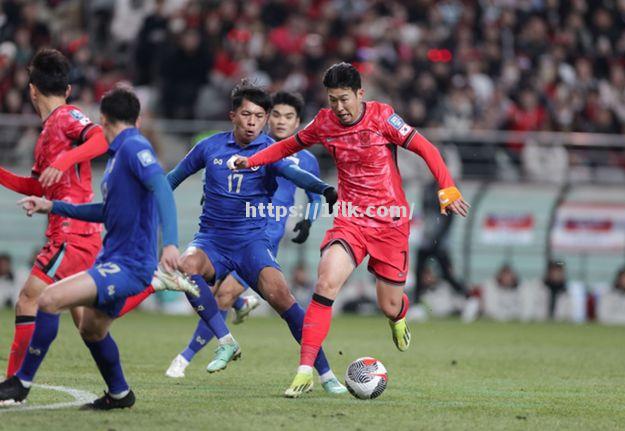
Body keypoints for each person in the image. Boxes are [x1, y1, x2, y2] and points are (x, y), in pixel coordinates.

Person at [231, 62, 469, 397]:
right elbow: (287, 146)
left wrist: (448, 187)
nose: (339, 107)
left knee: (389, 304)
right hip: (350, 218)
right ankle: (304, 370)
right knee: (326, 281)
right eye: (332, 100)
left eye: (345, 99)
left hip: (390, 221)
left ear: (360, 94)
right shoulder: (324, 123)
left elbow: (427, 148)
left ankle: (398, 316)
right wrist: (251, 160)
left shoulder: (384, 118)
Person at [126, 82, 346, 393]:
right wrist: (146, 202)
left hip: (252, 244)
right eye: (246, 114)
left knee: (285, 302)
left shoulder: (271, 152)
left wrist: (324, 189)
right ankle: (225, 341)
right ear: (233, 116)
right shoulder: (209, 147)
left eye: (259, 115)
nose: (252, 121)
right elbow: (172, 178)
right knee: (186, 268)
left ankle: (325, 374)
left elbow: (295, 174)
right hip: (212, 240)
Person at [0, 87, 182, 409]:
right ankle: (120, 394)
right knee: (91, 329)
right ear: (137, 119)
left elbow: (163, 188)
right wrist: (51, 206)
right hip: (113, 258)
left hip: (130, 263)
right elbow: (103, 212)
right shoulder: (117, 159)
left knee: (49, 299)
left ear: (103, 119)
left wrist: (170, 243)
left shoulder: (133, 148)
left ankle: (21, 383)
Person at [0, 49, 109, 378]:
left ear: (31, 89)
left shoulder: (66, 117)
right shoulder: (47, 134)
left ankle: (12, 385)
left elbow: (101, 138)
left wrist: (65, 160)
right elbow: (36, 187)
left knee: (28, 299)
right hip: (79, 233)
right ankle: (119, 389)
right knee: (88, 324)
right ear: (67, 88)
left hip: (70, 233)